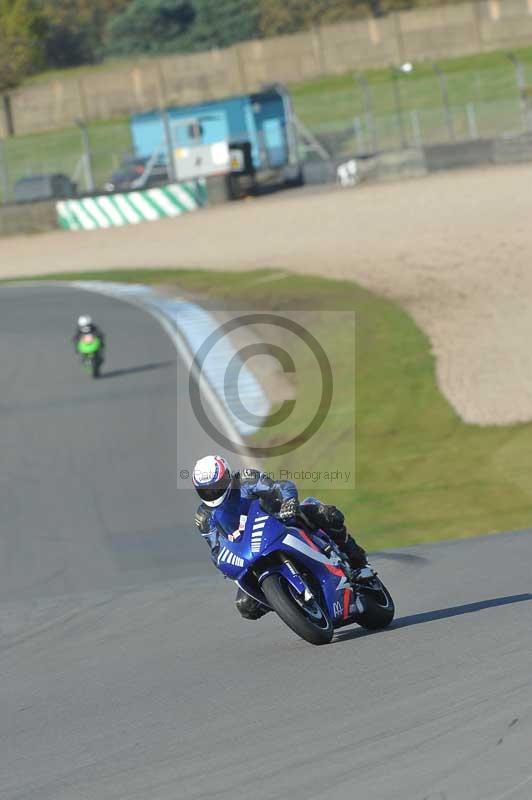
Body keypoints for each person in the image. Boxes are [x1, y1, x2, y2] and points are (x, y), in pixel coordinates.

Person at [192, 455, 374, 621]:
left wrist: (288, 501)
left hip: (280, 519)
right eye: (206, 490)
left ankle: (358, 562)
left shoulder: (246, 479)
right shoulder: (203, 517)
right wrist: (223, 563)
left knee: (327, 515)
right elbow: (216, 548)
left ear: (228, 476)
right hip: (250, 550)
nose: (213, 492)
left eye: (217, 486)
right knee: (246, 606)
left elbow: (279, 486)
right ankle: (288, 600)